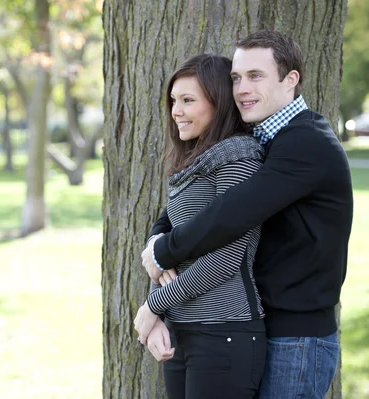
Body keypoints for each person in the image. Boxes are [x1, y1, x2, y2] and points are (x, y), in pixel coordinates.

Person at [141, 30, 353, 399]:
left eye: (256, 76)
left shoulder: (306, 142)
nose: (242, 89)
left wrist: (163, 254)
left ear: (291, 80)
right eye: (237, 78)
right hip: (265, 326)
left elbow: (230, 214)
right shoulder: (263, 139)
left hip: (297, 339)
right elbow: (191, 204)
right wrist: (157, 237)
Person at [133, 53, 267, 399]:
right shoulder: (193, 165)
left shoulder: (239, 159)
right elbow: (167, 238)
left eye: (188, 100)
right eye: (174, 101)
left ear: (219, 103)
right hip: (182, 333)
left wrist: (153, 307)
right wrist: (160, 310)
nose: (176, 111)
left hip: (224, 334)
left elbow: (225, 259)